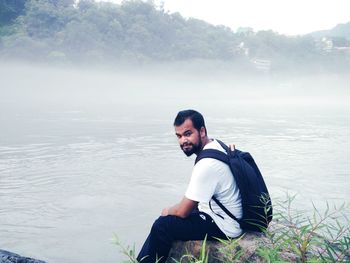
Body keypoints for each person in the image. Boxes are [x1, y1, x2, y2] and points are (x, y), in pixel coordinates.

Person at [137, 109, 242, 263]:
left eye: (187, 134)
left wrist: (168, 211)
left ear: (202, 131)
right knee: (178, 214)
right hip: (230, 215)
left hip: (225, 225)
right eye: (179, 136)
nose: (183, 141)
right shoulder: (216, 145)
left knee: (162, 225)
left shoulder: (206, 164)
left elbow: (182, 211)